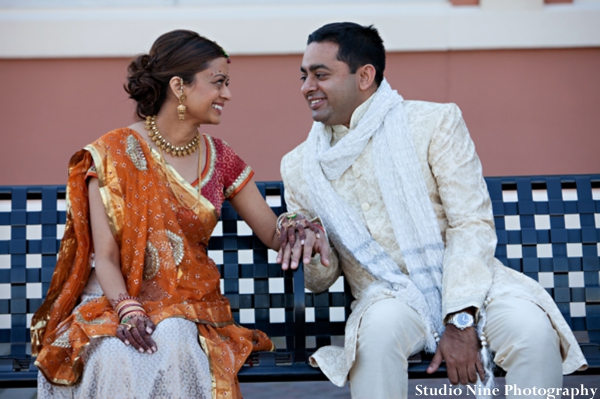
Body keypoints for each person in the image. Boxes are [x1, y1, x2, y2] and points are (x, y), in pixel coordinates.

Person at [279, 22, 587, 399]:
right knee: (374, 340)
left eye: (320, 74)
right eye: (304, 75)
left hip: (474, 287)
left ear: (364, 76)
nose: (306, 87)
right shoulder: (300, 166)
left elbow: (470, 223)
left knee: (534, 334)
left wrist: (460, 318)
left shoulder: (433, 123)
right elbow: (319, 281)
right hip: (388, 296)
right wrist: (310, 245)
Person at [31, 29, 327, 399]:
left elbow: (272, 231)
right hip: (111, 300)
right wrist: (127, 310)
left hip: (187, 305)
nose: (227, 94)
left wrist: (299, 227)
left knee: (172, 339)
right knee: (110, 354)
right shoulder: (112, 154)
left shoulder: (221, 158)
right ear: (179, 86)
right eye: (218, 83)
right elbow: (104, 257)